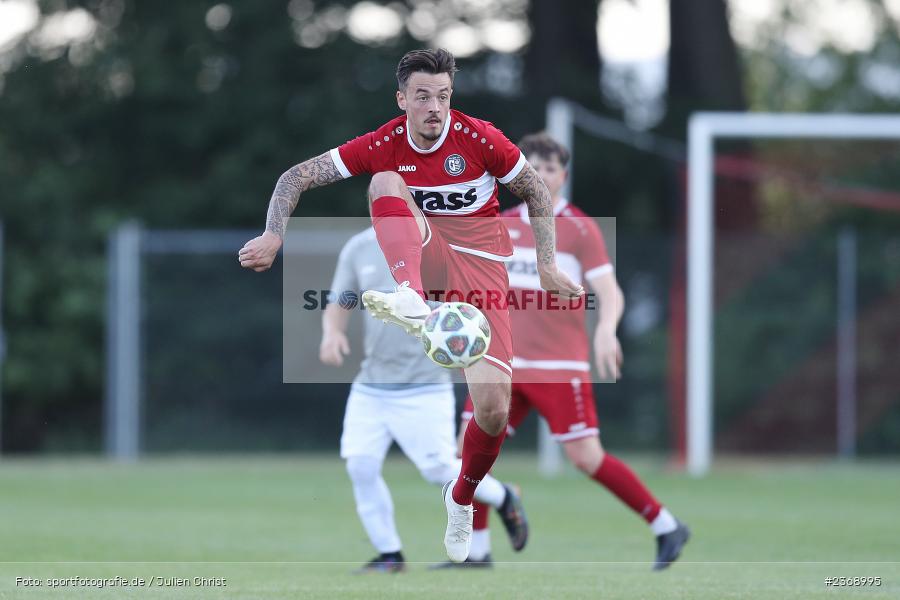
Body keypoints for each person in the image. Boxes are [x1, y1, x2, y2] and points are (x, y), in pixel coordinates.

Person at [238, 48, 581, 562]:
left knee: (492, 408)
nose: (434, 107)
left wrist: (549, 266)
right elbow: (296, 176)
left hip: (483, 272)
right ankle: (411, 296)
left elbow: (535, 191)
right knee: (384, 181)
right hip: (426, 256)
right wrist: (272, 234)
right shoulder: (384, 143)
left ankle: (462, 498)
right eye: (422, 96)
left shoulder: (479, 138)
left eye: (443, 96)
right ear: (402, 100)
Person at [447, 133, 690, 570]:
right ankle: (476, 552)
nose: (540, 175)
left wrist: (606, 331)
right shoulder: (498, 224)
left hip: (559, 368)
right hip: (502, 364)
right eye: (532, 167)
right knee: (467, 453)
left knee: (586, 458)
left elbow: (608, 291)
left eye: (550, 169)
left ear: (563, 176)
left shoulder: (578, 228)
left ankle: (666, 525)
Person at [320, 227, 528, 573]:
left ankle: (504, 496)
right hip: (371, 385)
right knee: (360, 466)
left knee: (439, 469)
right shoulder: (357, 246)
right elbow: (340, 300)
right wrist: (332, 332)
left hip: (425, 386)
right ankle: (390, 554)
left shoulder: (440, 242)